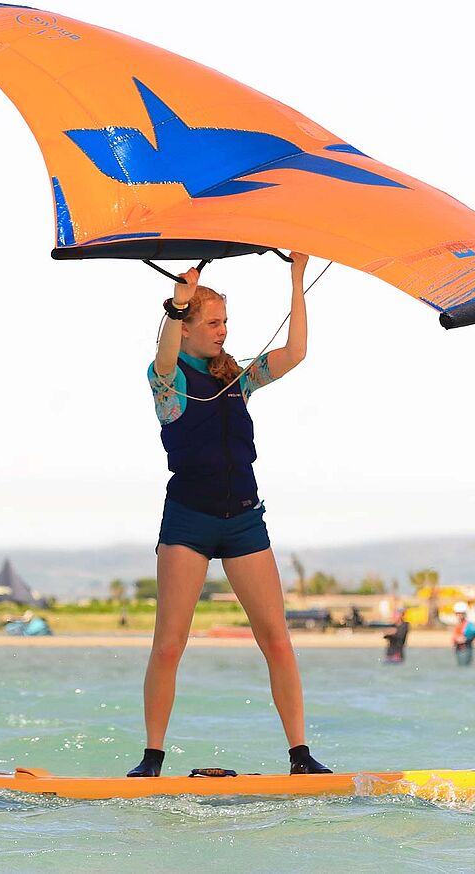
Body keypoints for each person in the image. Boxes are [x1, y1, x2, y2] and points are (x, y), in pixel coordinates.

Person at [129, 254, 331, 779]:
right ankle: (152, 760)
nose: (223, 332)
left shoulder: (236, 378)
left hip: (243, 520)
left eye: (225, 322)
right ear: (189, 328)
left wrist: (296, 276)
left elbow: (296, 352)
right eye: (213, 323)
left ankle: (300, 756)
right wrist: (175, 305)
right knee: (170, 644)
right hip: (188, 523)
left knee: (277, 639)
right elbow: (165, 353)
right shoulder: (166, 381)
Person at [452, 602, 475, 666]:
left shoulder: (469, 625)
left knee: (464, 665)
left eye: (461, 614)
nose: (459, 615)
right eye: (458, 614)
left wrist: (465, 639)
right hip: (458, 649)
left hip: (466, 649)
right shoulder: (458, 625)